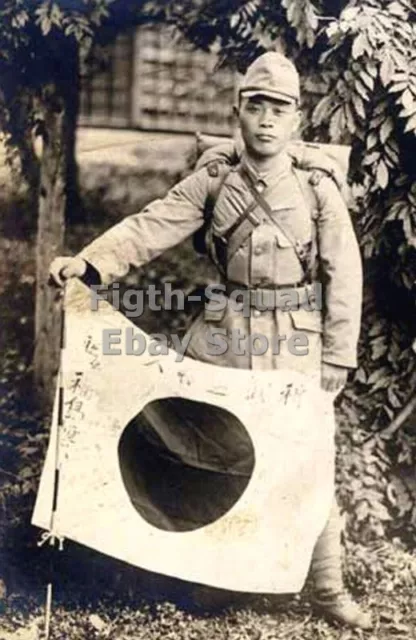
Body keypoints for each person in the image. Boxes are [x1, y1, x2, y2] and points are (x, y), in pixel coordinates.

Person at [49, 51, 371, 629]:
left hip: (296, 340)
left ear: (296, 119)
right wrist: (90, 265)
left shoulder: (316, 188)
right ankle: (221, 574)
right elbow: (154, 224)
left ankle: (328, 589)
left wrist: (337, 356)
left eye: (279, 109)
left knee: (311, 456)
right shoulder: (215, 178)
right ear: (237, 112)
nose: (267, 120)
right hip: (224, 335)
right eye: (256, 107)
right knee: (214, 452)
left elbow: (343, 274)